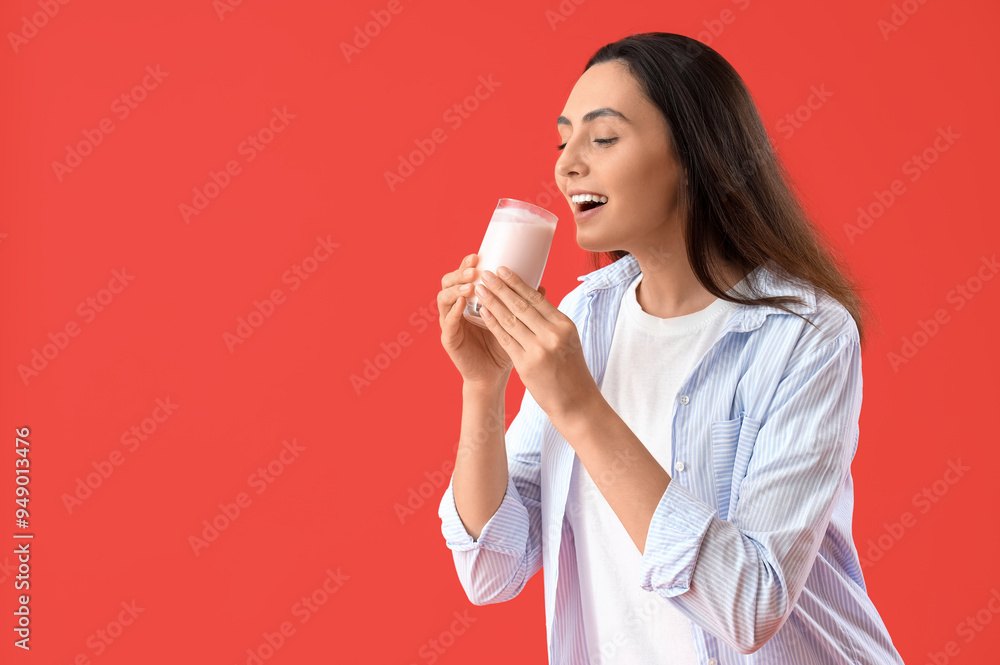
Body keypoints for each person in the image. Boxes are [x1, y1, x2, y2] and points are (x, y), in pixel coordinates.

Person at [434, 32, 904, 665]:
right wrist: (483, 387)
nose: (567, 165)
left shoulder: (805, 334)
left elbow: (751, 605)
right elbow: (492, 569)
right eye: (563, 141)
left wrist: (581, 408)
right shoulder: (586, 317)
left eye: (603, 138)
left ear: (694, 153)